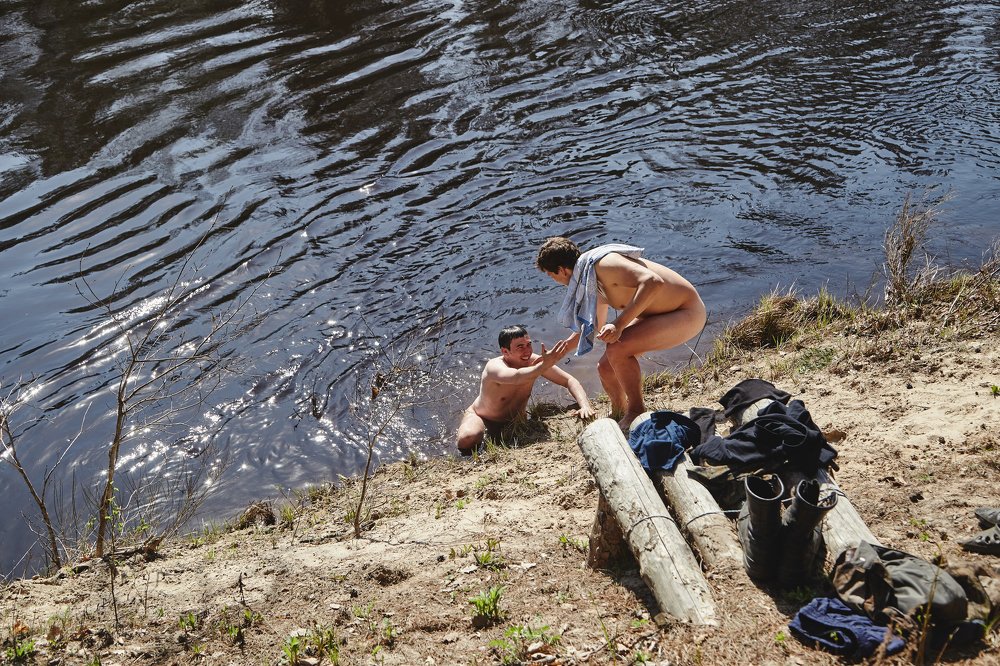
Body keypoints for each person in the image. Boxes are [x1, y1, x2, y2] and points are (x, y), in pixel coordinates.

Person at [536, 236, 706, 430]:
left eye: (551, 275)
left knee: (618, 348)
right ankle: (620, 410)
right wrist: (559, 352)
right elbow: (595, 326)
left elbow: (652, 281)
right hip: (660, 315)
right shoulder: (590, 279)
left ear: (562, 270)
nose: (555, 281)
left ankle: (637, 411)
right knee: (605, 367)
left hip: (686, 312)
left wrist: (619, 324)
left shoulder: (604, 263)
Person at [456, 325, 595, 453]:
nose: (527, 351)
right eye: (520, 347)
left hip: (515, 421)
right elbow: (517, 377)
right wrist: (545, 365)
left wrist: (585, 406)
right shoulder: (494, 367)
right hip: (483, 417)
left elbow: (569, 380)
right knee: (468, 438)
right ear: (505, 351)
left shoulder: (535, 362)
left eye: (529, 344)